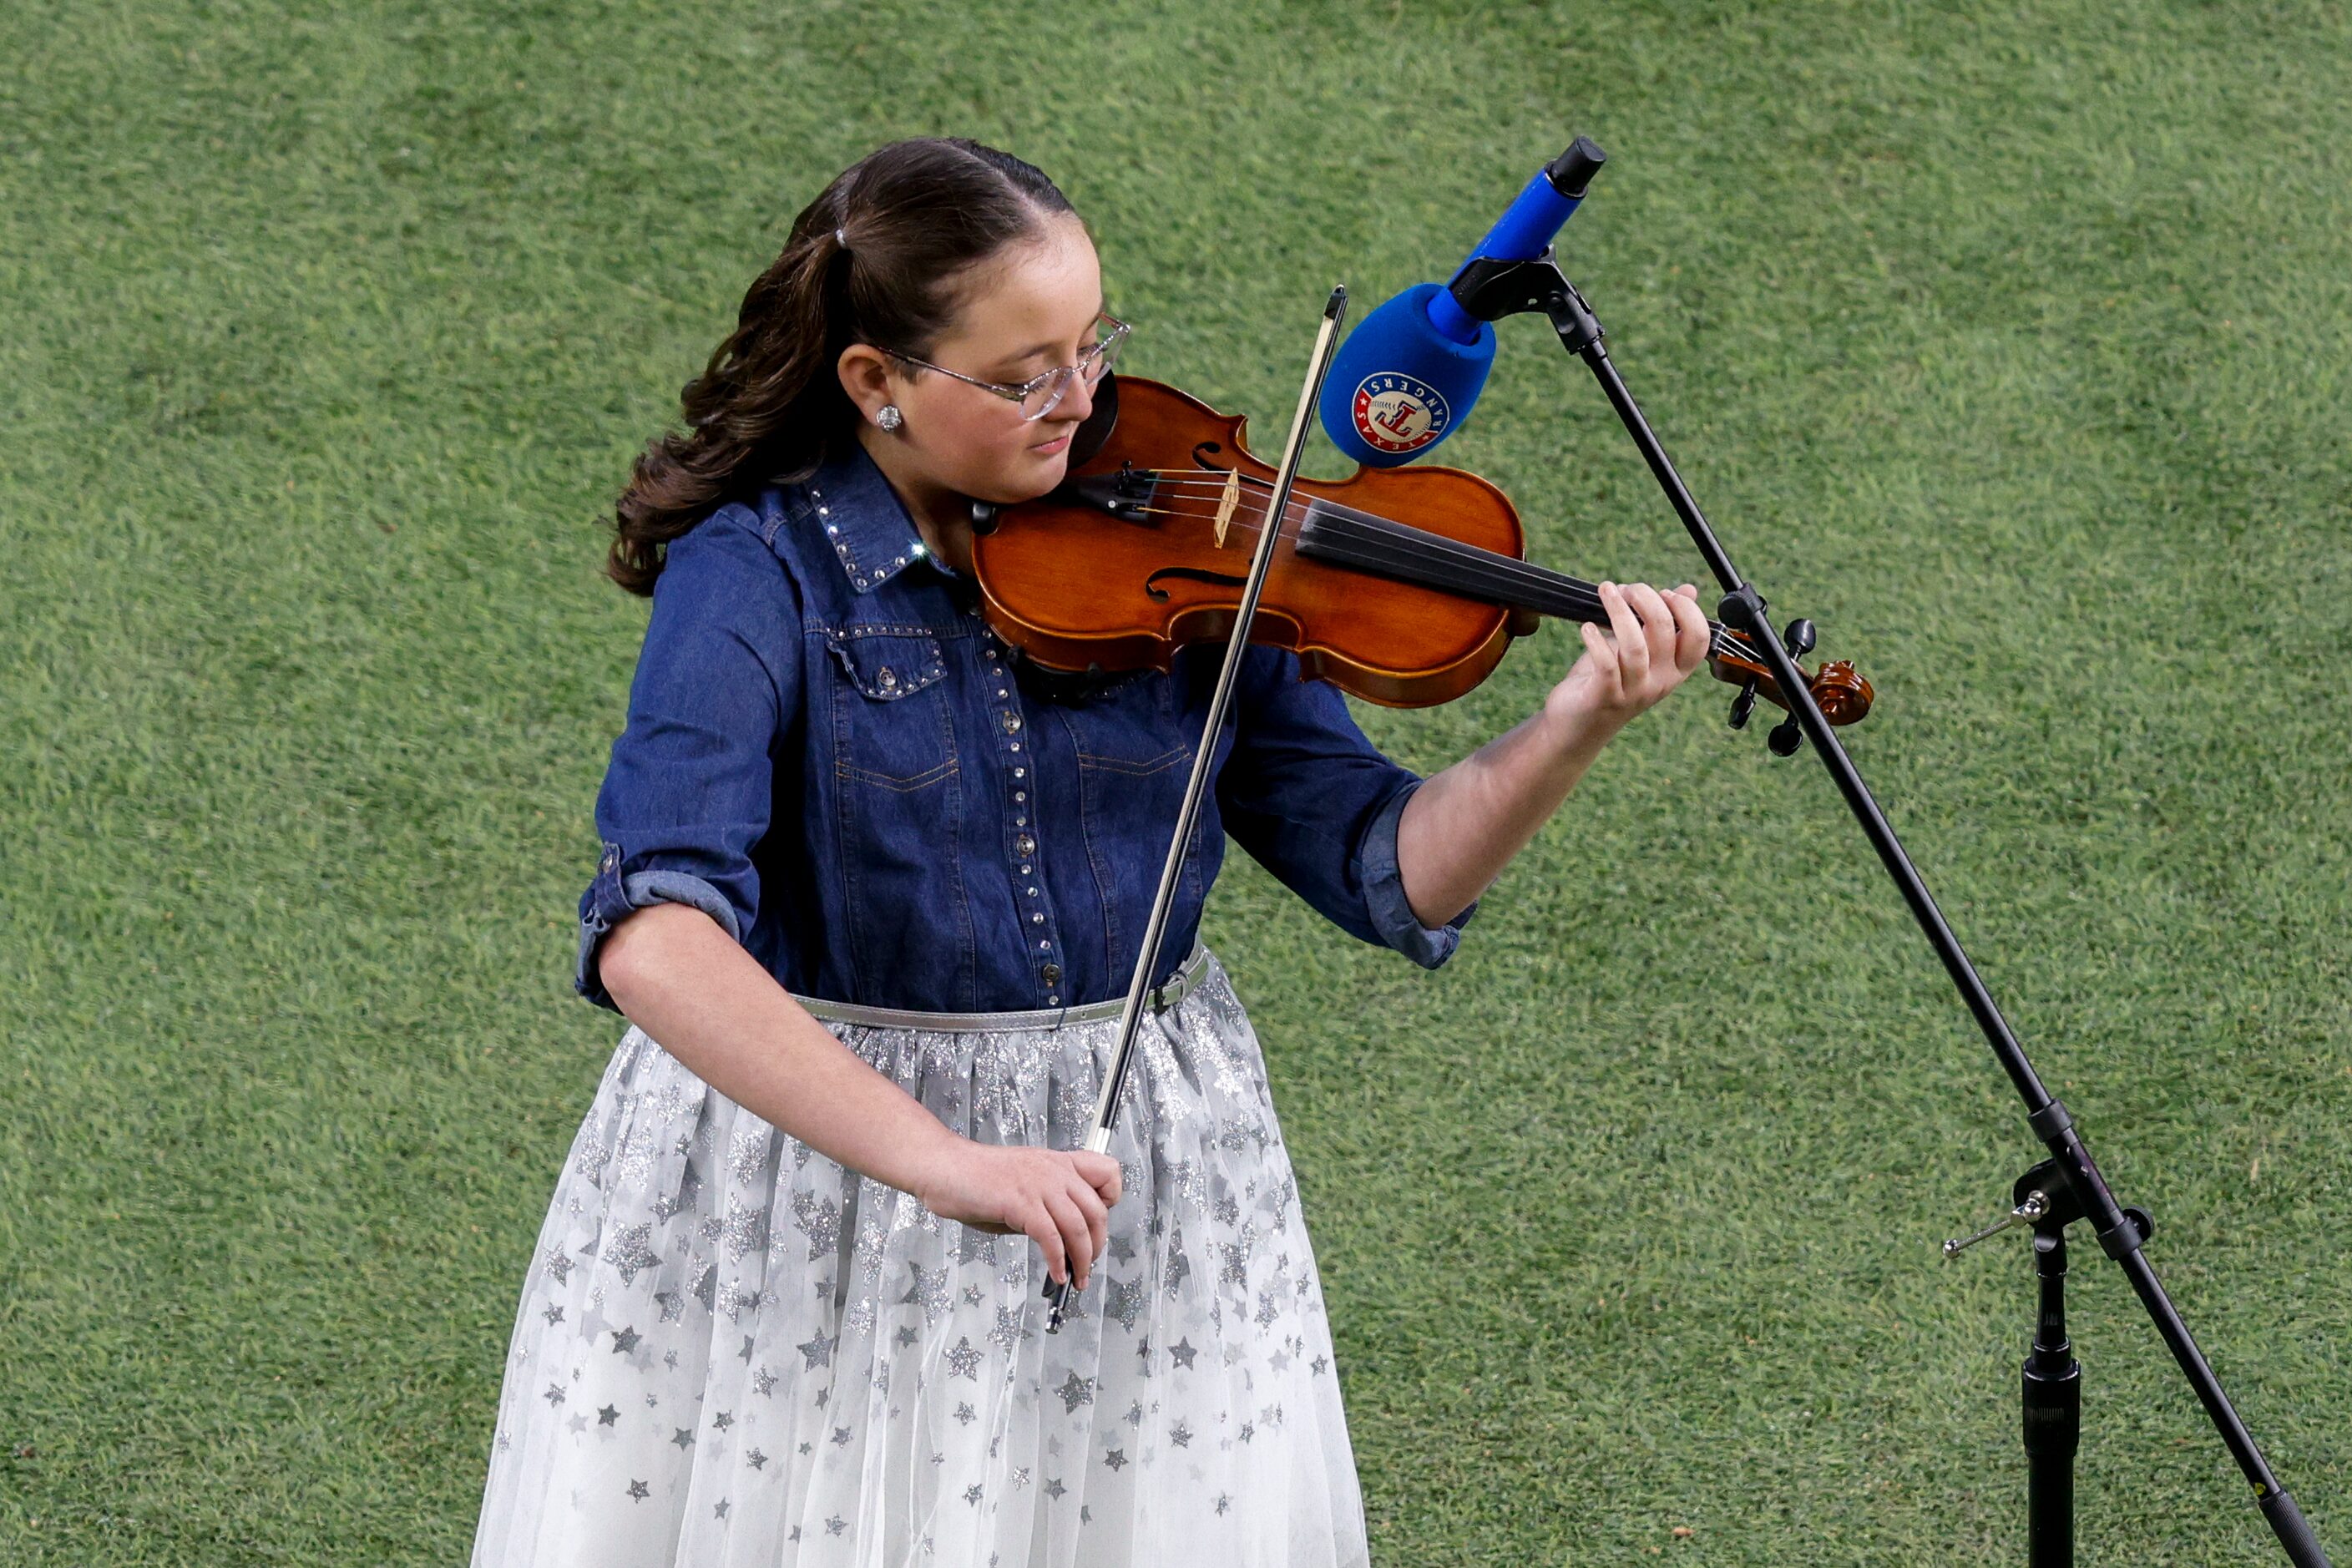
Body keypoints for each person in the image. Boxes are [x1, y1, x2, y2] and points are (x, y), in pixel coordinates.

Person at [468, 135, 1710, 1568]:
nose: (1085, 403)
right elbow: (655, 936)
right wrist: (941, 1159)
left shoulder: (1208, 553)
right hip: (834, 1176)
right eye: (1023, 375)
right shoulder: (756, 574)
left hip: (1135, 1164)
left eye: (1092, 344)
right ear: (876, 382)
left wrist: (1575, 720)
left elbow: (1392, 866)